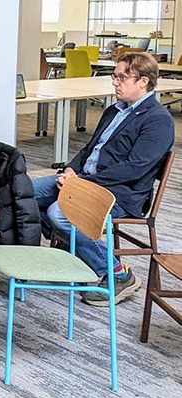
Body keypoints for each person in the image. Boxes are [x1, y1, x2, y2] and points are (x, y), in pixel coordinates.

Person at [32, 52, 174, 306]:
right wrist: (71, 170)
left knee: (59, 214)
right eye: (115, 76)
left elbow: (135, 169)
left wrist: (80, 183)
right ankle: (74, 250)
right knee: (24, 192)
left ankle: (117, 273)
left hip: (121, 193)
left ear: (143, 81)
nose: (115, 82)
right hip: (85, 180)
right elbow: (89, 149)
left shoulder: (157, 120)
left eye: (122, 77)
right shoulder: (113, 111)